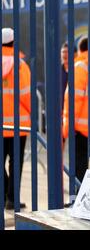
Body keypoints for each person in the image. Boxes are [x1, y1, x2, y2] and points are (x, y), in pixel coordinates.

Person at [62, 36, 90, 183]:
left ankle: (79, 194)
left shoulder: (79, 67)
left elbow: (74, 100)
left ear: (80, 50)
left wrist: (67, 126)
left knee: (79, 163)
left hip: (80, 125)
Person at [2, 28, 31, 210]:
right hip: (19, 124)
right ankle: (12, 198)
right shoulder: (20, 66)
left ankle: (4, 193)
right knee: (16, 162)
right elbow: (26, 94)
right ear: (13, 42)